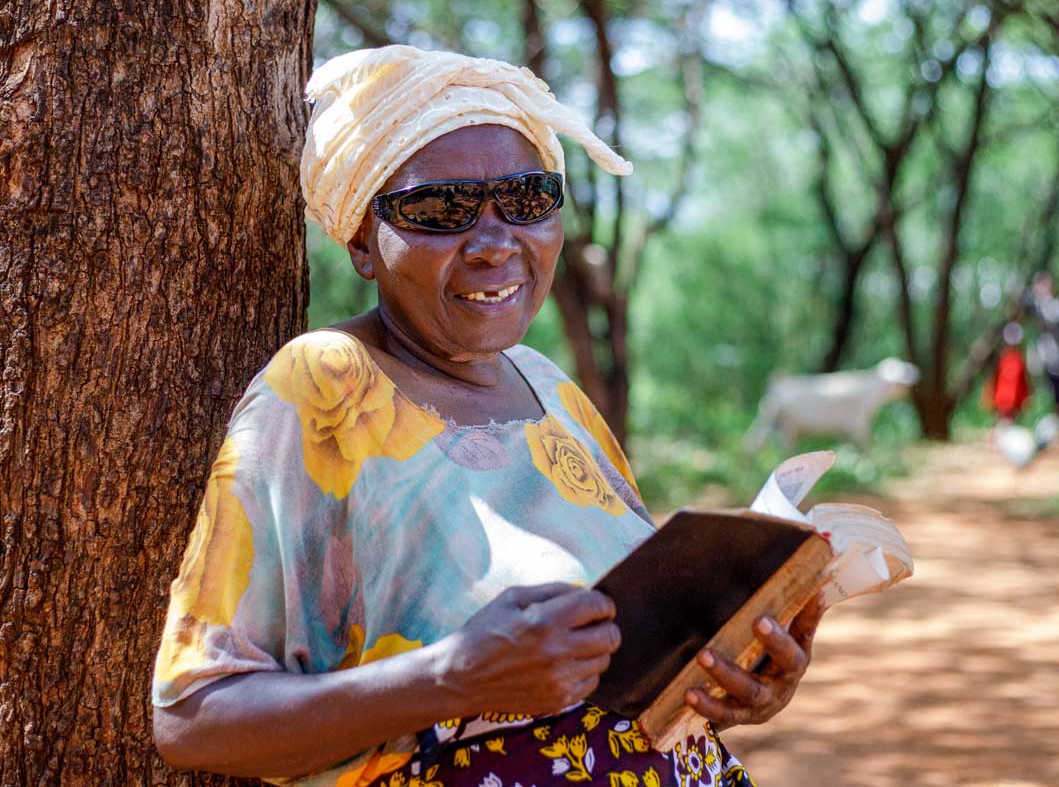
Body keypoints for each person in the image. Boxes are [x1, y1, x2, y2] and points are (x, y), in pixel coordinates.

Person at [151, 47, 819, 787]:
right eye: (440, 210)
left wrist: (727, 677)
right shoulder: (324, 389)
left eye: (529, 199)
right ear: (362, 242)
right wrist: (452, 677)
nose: (497, 242)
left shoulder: (551, 390)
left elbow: (624, 656)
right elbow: (193, 717)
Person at [1028, 271, 1059, 428]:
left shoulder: (1058, 305)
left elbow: (1052, 318)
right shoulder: (1035, 305)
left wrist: (1040, 302)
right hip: (1043, 361)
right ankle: (1045, 427)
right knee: (1043, 395)